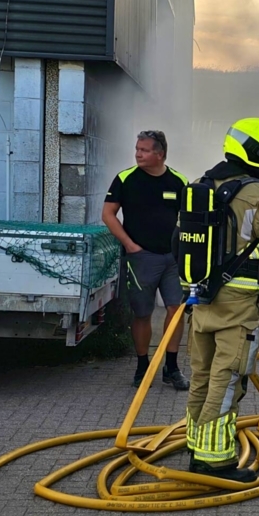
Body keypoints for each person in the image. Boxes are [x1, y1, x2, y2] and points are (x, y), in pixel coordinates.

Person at [182, 118, 259, 482]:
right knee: (228, 377)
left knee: (202, 374)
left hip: (201, 298)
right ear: (257, 153)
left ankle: (197, 444)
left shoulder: (199, 185)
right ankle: (215, 460)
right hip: (239, 302)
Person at [103, 130, 190, 390]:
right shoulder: (125, 179)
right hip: (141, 258)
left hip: (173, 260)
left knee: (176, 311)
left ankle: (171, 368)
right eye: (137, 149)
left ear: (160, 154)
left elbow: (188, 218)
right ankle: (143, 367)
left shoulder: (178, 181)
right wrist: (130, 245)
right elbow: (108, 214)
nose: (138, 154)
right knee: (143, 313)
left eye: (144, 150)